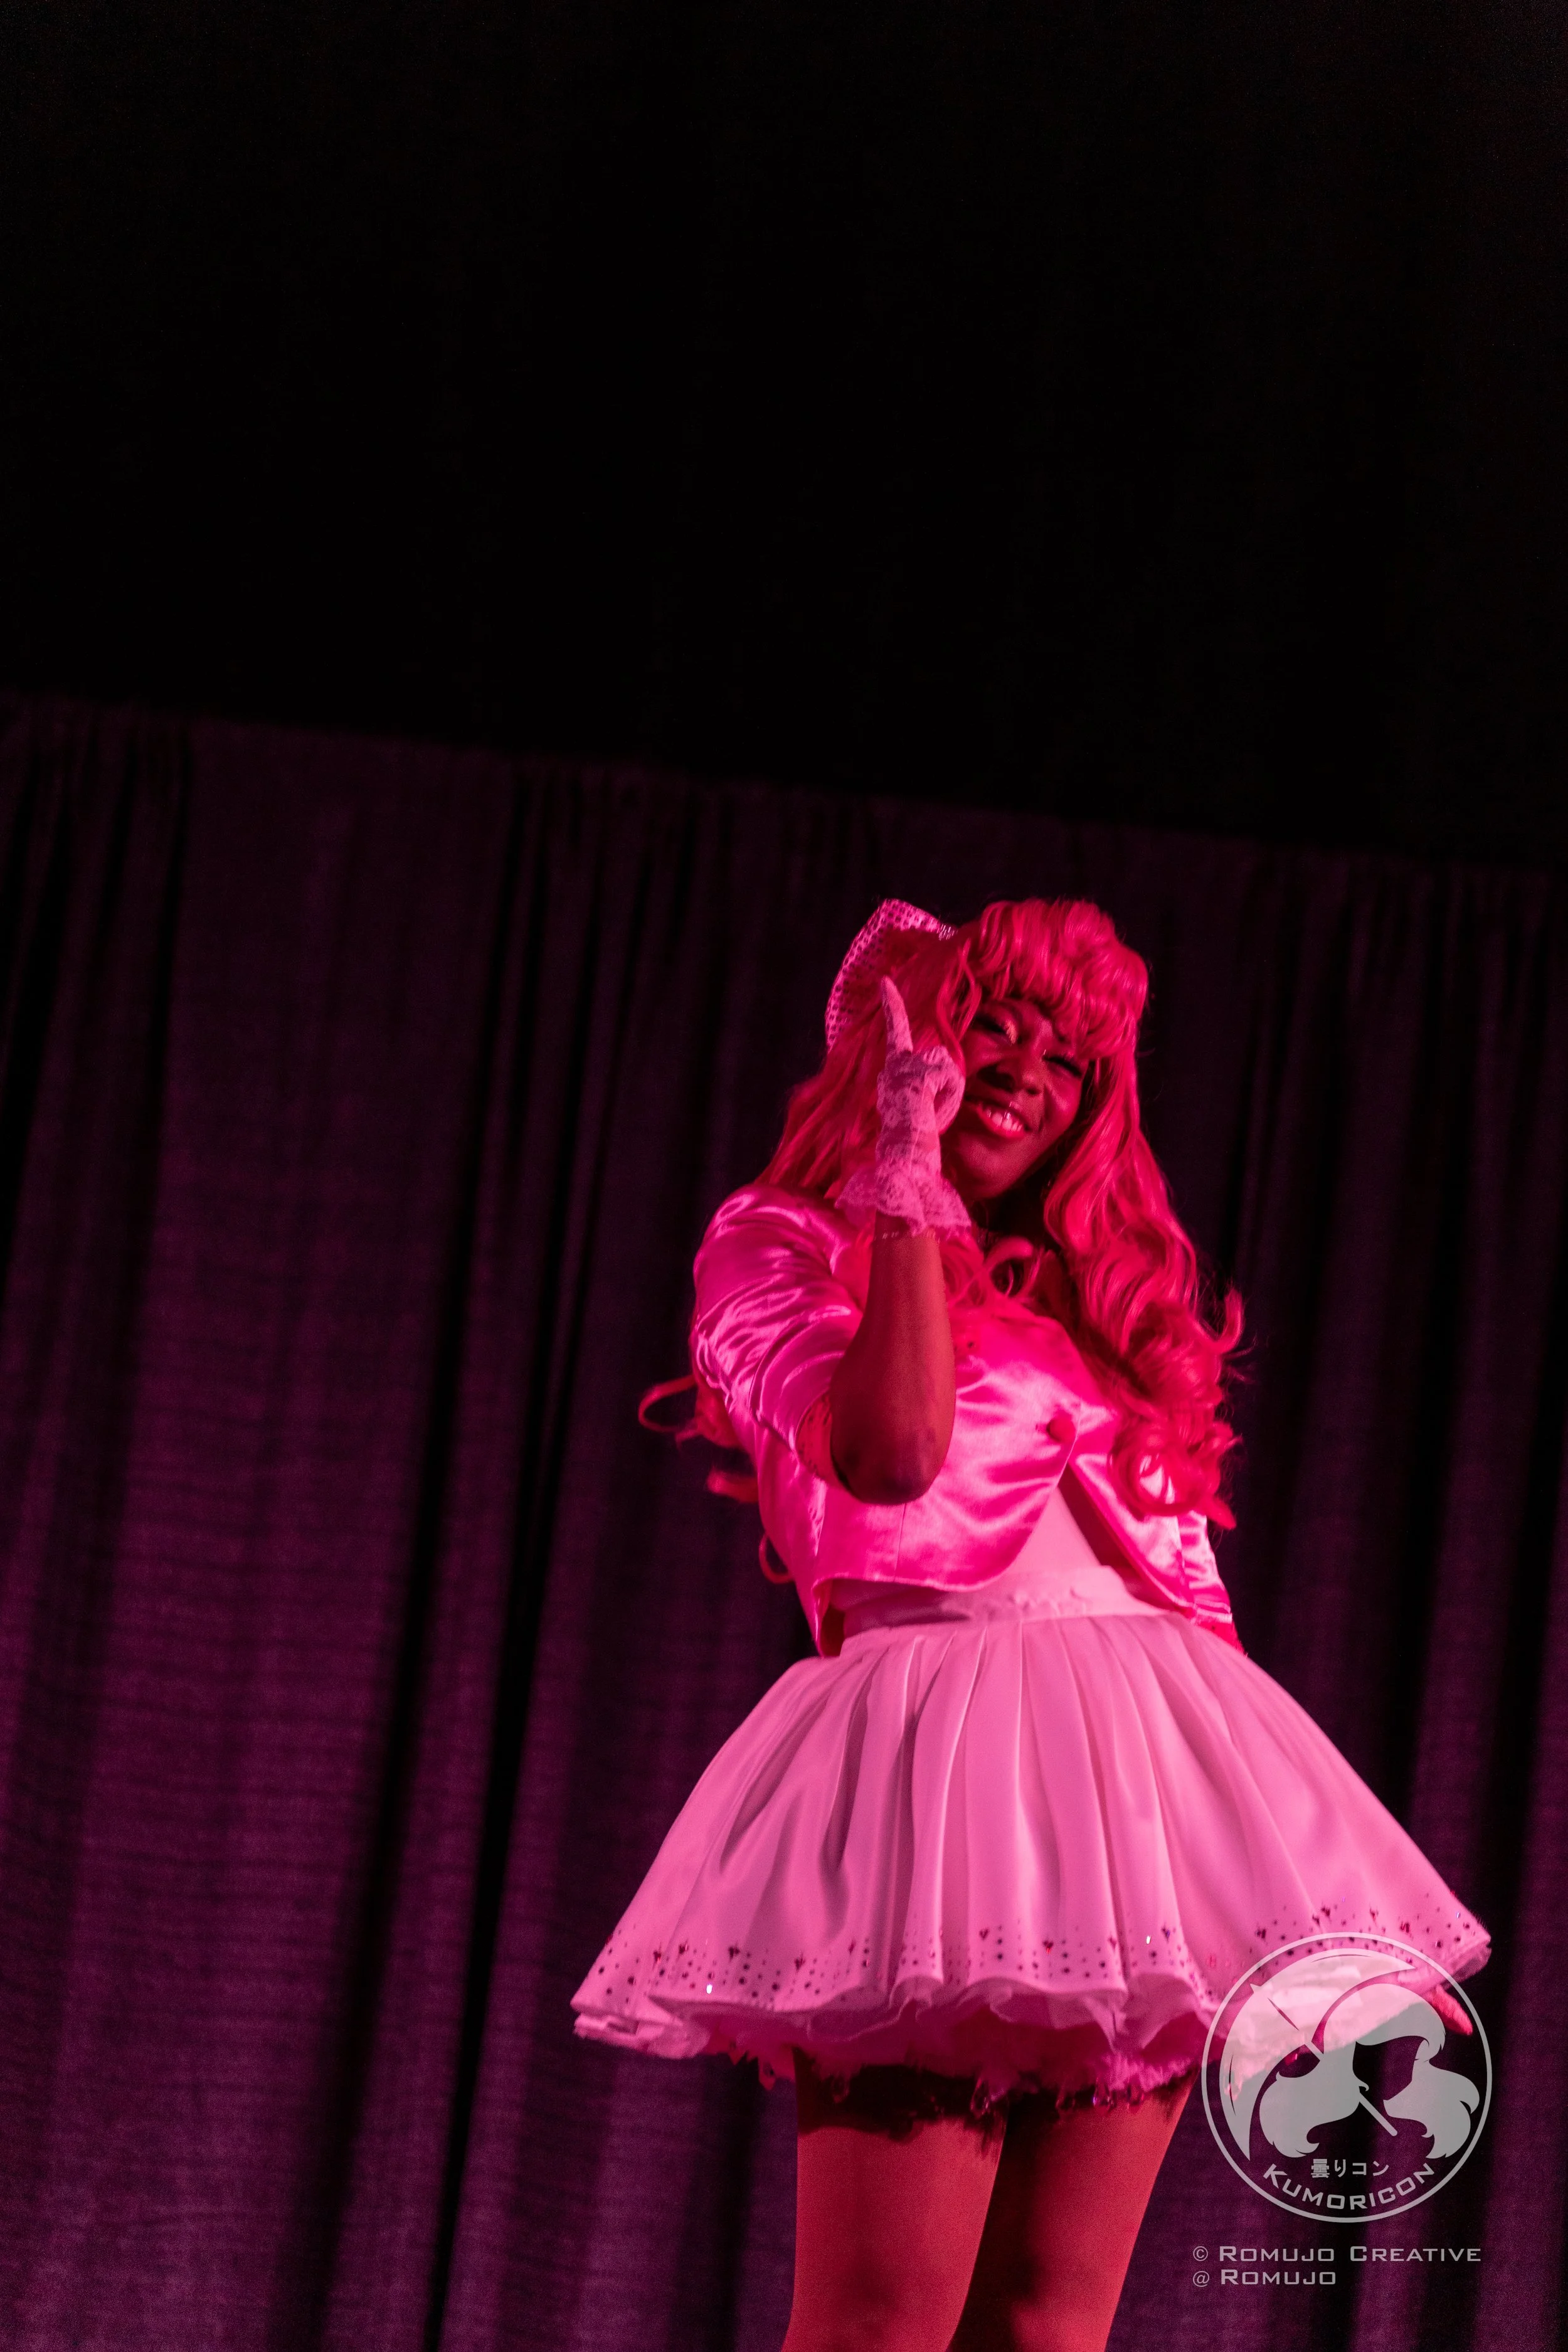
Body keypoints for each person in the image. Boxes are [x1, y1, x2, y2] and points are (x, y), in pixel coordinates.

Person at [573, 897, 1489, 2352]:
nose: (1021, 1065)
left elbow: (1184, 1598)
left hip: (1137, 1807)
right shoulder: (785, 1242)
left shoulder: (1094, 1301)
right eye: (990, 1020)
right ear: (902, 1042)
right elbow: (887, 1456)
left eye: (1065, 1056)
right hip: (935, 1787)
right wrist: (902, 1167)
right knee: (876, 2330)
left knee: (1049, 2329)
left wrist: (1300, 1902)